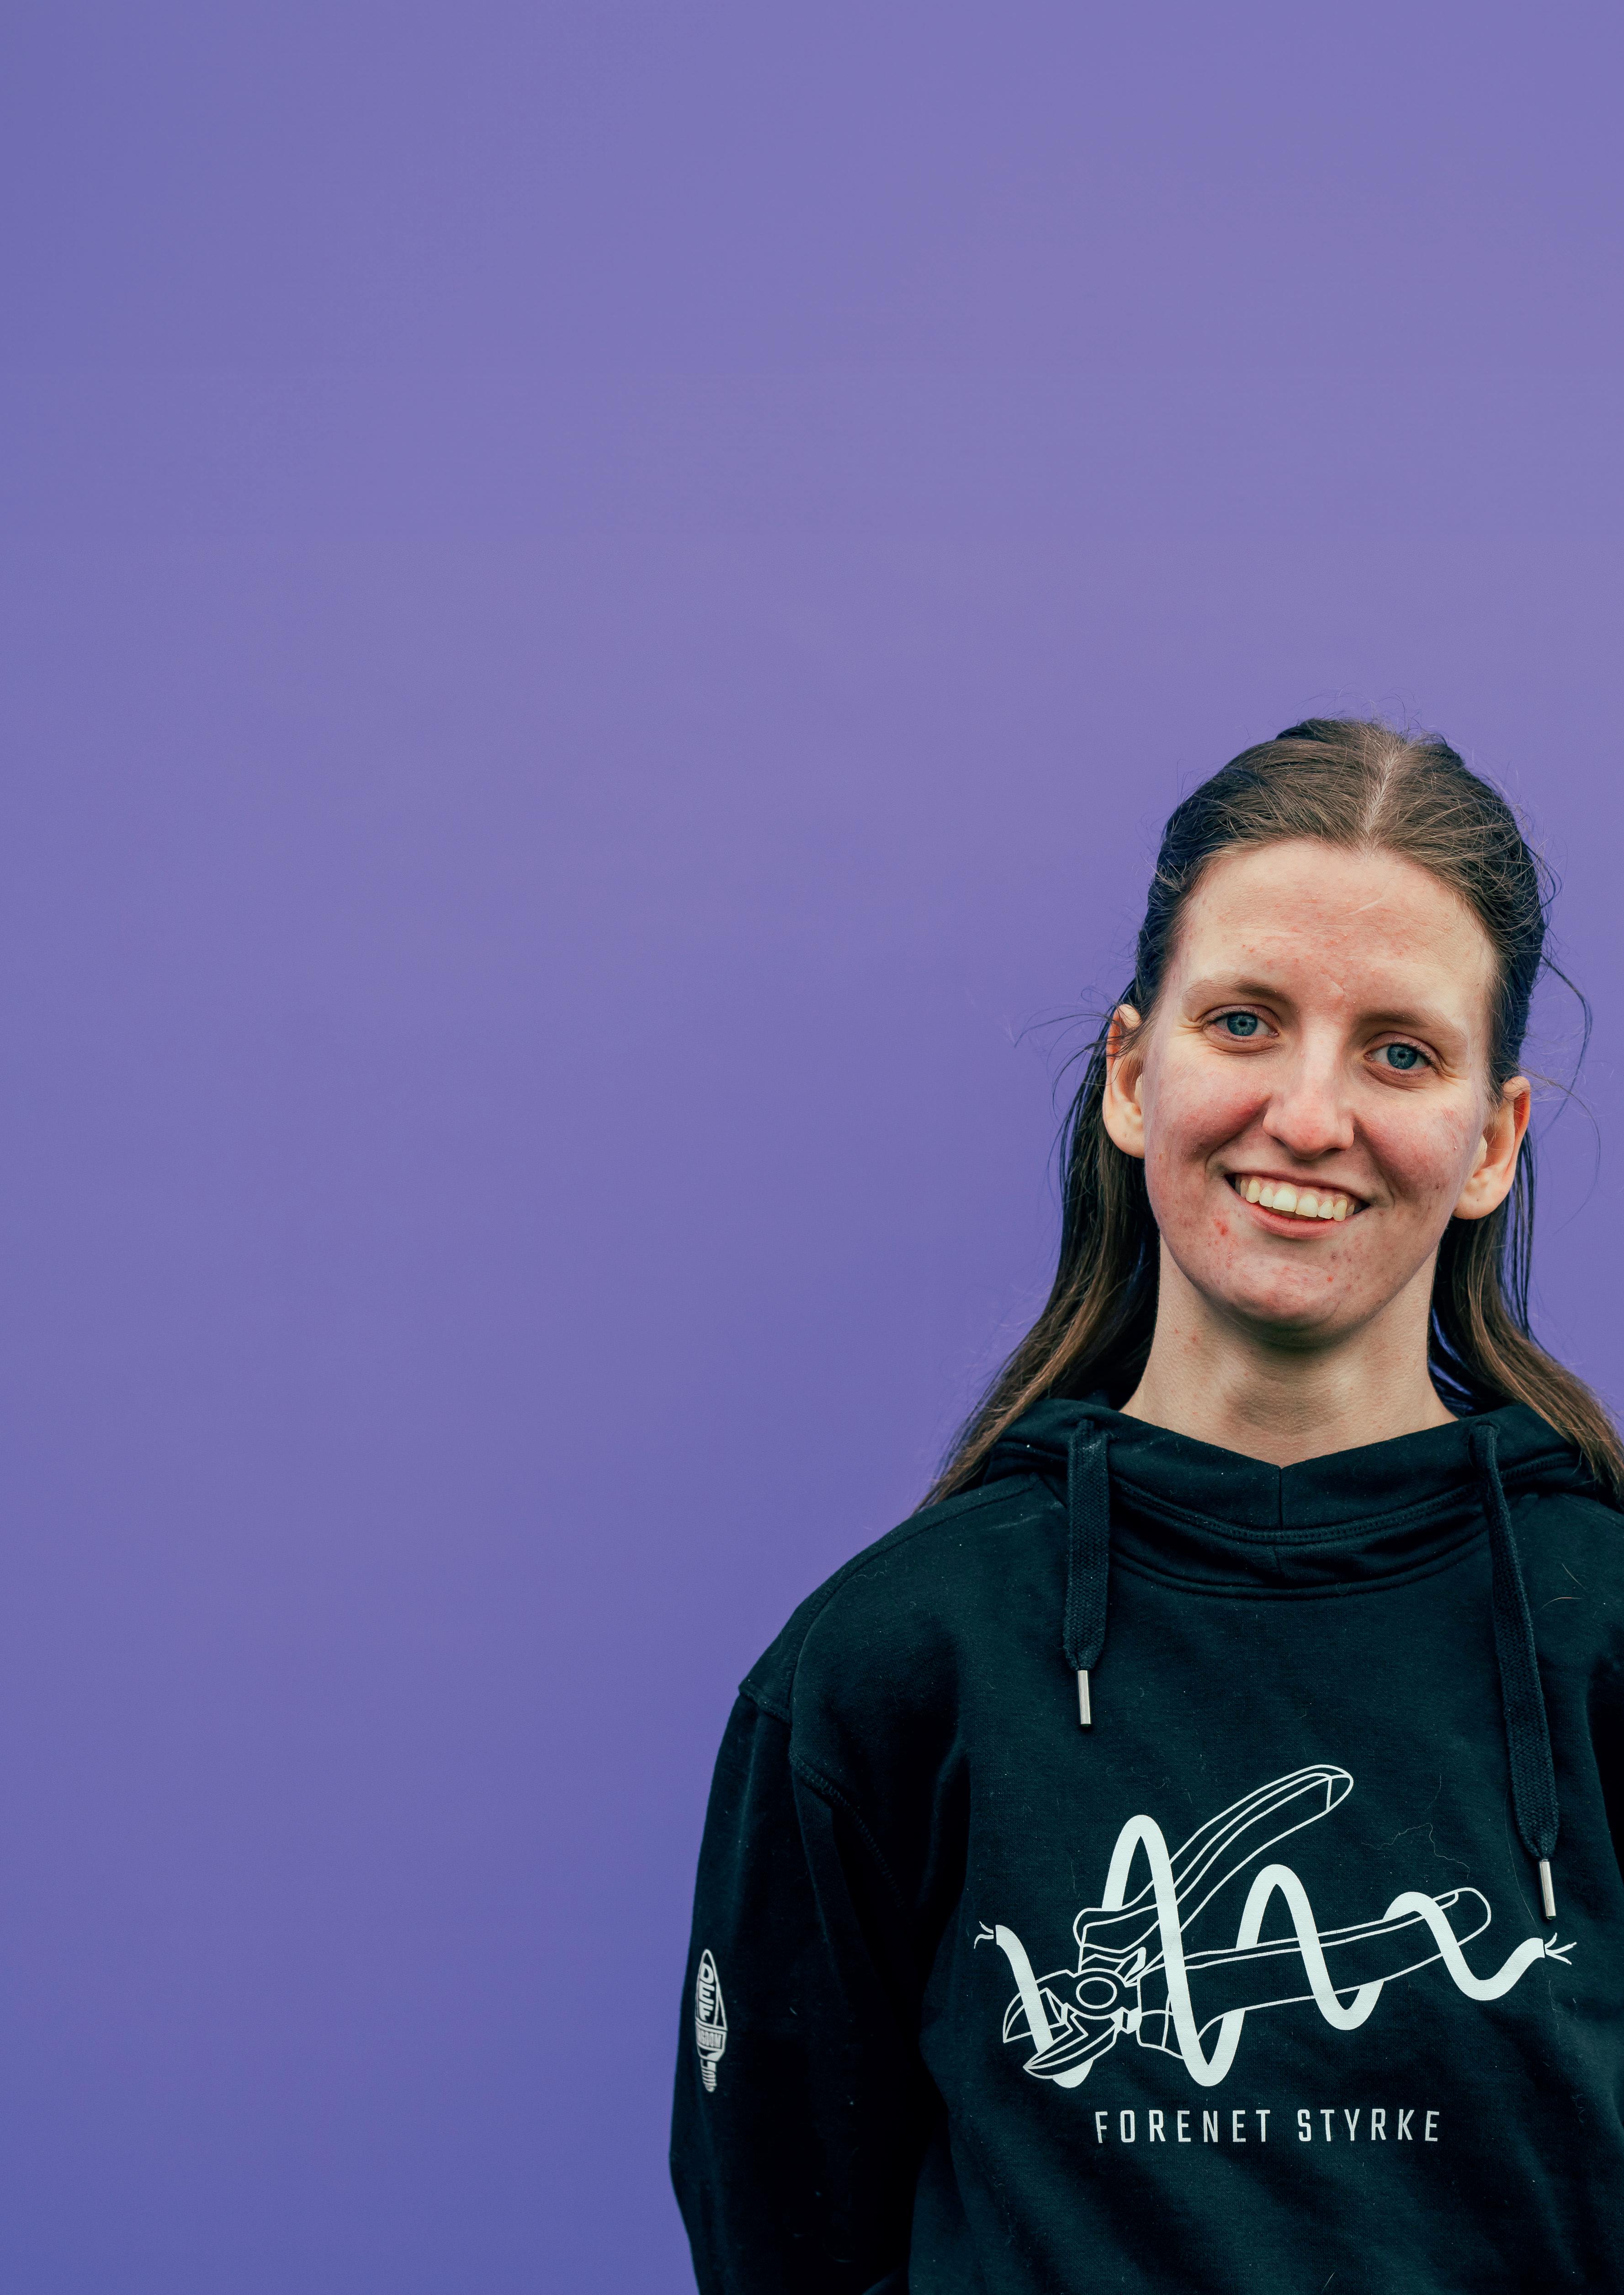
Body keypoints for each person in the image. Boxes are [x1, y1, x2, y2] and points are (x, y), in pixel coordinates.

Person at [669, 719, 1624, 2294]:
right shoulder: (892, 1661)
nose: (1307, 1116)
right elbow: (782, 2241)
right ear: (1131, 1073)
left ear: (1490, 1142)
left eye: (1399, 1052)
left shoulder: (1602, 1636)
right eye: (1244, 1022)